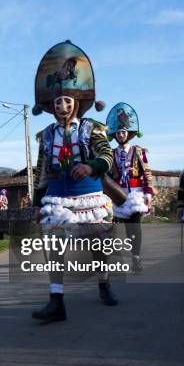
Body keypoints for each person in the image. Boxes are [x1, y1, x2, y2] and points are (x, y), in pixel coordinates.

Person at [30, 40, 117, 324]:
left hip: (89, 196)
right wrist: (36, 202)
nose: (62, 106)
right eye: (57, 102)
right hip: (56, 197)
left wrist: (89, 165)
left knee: (97, 246)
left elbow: (107, 156)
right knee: (52, 244)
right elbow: (41, 172)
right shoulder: (46, 135)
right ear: (52, 106)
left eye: (67, 101)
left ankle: (103, 282)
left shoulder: (92, 129)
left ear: (76, 103)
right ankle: (57, 300)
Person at [106, 102, 154, 272]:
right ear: (115, 134)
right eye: (118, 132)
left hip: (135, 194)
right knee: (118, 228)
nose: (120, 135)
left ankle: (136, 258)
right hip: (118, 194)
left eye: (123, 132)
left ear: (129, 134)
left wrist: (148, 193)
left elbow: (147, 173)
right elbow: (108, 176)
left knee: (134, 226)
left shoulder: (138, 151)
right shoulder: (110, 154)